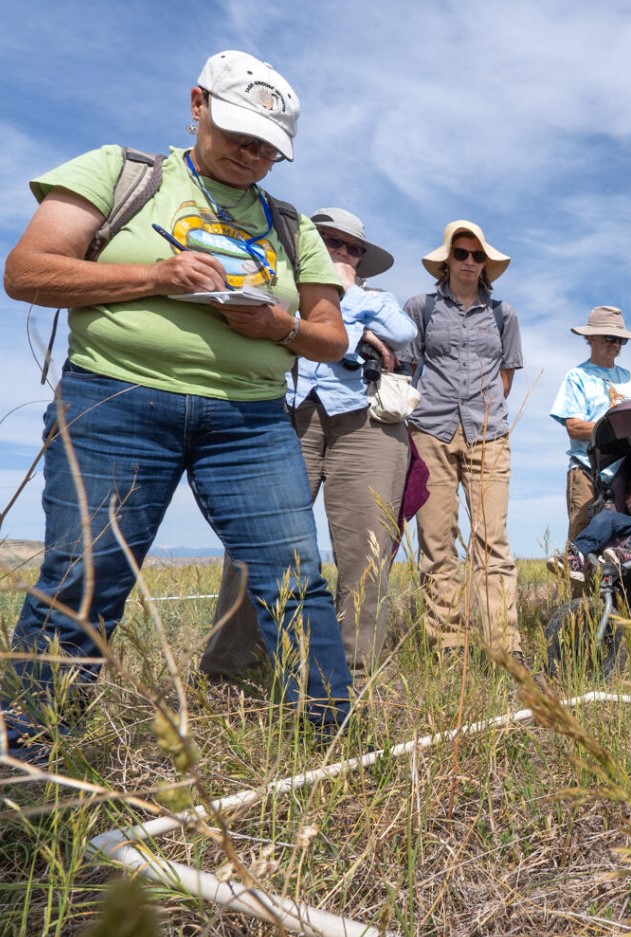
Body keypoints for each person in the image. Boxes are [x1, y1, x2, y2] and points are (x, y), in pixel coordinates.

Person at [1, 50, 352, 756]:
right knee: (82, 581)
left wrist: (277, 325)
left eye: (267, 148)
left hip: (251, 421)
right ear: (197, 106)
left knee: (296, 583)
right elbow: (27, 271)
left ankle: (330, 748)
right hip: (115, 400)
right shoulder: (122, 172)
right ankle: (28, 758)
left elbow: (330, 338)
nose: (252, 155)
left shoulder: (290, 226)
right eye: (239, 135)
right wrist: (156, 275)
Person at [202, 208, 416, 679]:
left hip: (365, 422)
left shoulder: (375, 296)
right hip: (285, 412)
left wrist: (344, 295)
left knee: (366, 552)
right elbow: (255, 315)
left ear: (361, 258)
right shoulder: (277, 283)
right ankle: (230, 671)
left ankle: (351, 677)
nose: (340, 252)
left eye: (350, 247)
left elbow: (404, 333)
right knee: (255, 545)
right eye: (328, 242)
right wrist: (355, 332)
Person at [404, 220, 523, 663]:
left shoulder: (503, 315)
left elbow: (505, 376)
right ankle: (449, 645)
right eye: (462, 254)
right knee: (437, 541)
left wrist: (483, 407)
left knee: (492, 539)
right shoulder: (420, 308)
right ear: (447, 260)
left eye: (477, 256)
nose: (470, 262)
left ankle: (503, 645)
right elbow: (407, 365)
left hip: (488, 434)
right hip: (430, 430)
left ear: (486, 264)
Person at [549, 306, 631, 542]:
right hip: (587, 470)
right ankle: (576, 580)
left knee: (622, 538)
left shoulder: (630, 378)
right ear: (591, 337)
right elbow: (574, 427)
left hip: (625, 472)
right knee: (582, 535)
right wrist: (616, 430)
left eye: (621, 340)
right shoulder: (577, 376)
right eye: (610, 338)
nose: (616, 345)